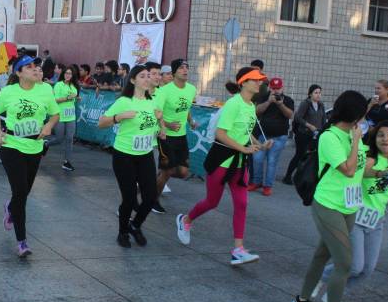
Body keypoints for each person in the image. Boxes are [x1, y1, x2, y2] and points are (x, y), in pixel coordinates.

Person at [315, 120, 388, 302]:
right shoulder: (365, 155)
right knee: (354, 267)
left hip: (376, 222)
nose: (386, 139)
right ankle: (318, 277)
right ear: (374, 137)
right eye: (381, 135)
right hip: (354, 217)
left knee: (367, 270)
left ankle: (332, 296)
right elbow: (352, 170)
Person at [291, 90, 368, 302]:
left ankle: (301, 300)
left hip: (349, 205)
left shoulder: (351, 134)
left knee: (321, 254)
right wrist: (357, 140)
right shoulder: (331, 136)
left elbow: (360, 168)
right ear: (356, 114)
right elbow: (347, 169)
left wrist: (380, 172)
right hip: (328, 205)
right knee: (345, 263)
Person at [176, 67, 271, 265]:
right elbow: (221, 133)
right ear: (244, 82)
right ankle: (186, 220)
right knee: (212, 202)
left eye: (260, 80)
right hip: (222, 159)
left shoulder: (250, 105)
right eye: (255, 79)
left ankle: (238, 249)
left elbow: (245, 131)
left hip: (239, 163)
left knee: (242, 203)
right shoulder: (233, 104)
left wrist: (258, 144)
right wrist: (244, 149)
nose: (259, 83)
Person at [0, 56, 59, 257]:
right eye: (28, 67)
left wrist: (48, 126)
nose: (34, 69)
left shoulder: (46, 90)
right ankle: (22, 242)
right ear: (18, 73)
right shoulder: (9, 91)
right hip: (12, 146)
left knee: (24, 193)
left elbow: (55, 114)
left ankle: (10, 207)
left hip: (35, 147)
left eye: (35, 66)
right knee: (20, 193)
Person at [98, 66, 164, 248]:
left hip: (145, 155)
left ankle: (135, 225)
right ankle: (123, 232)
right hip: (124, 156)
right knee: (128, 199)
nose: (147, 78)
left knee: (151, 197)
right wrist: (119, 117)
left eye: (148, 75)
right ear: (133, 80)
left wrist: (160, 129)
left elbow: (152, 129)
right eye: (142, 76)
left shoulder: (152, 103)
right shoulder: (124, 101)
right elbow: (101, 122)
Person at [155, 59, 198, 209]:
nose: (185, 70)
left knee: (183, 172)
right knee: (168, 171)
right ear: (174, 72)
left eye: (187, 67)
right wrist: (167, 124)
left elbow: (186, 108)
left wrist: (191, 121)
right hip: (166, 136)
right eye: (181, 68)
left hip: (181, 135)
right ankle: (153, 201)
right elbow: (156, 113)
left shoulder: (191, 89)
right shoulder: (164, 91)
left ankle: (154, 180)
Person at [249, 77, 294, 195]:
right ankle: (257, 181)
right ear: (270, 88)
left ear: (282, 88)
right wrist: (269, 101)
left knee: (272, 161)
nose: (275, 91)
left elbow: (290, 115)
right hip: (263, 135)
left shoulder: (288, 100)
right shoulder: (264, 97)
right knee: (257, 159)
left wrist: (280, 104)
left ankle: (267, 186)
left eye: (278, 88)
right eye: (273, 88)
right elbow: (257, 111)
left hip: (279, 137)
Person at [283, 84, 326, 184]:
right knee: (300, 155)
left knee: (311, 157)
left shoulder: (321, 105)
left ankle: (302, 177)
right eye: (316, 93)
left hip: (315, 134)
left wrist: (323, 130)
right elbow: (297, 117)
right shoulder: (305, 103)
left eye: (319, 93)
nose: (318, 95)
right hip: (303, 134)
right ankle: (288, 176)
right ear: (310, 94)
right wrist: (309, 125)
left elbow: (323, 119)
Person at [50, 64, 81, 171]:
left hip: (71, 116)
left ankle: (67, 162)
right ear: (63, 74)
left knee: (69, 139)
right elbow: (55, 100)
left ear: (73, 75)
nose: (68, 75)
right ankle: (46, 144)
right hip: (60, 115)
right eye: (66, 73)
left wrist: (76, 98)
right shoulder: (58, 85)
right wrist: (68, 98)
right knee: (59, 139)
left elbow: (73, 97)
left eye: (70, 73)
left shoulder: (74, 86)